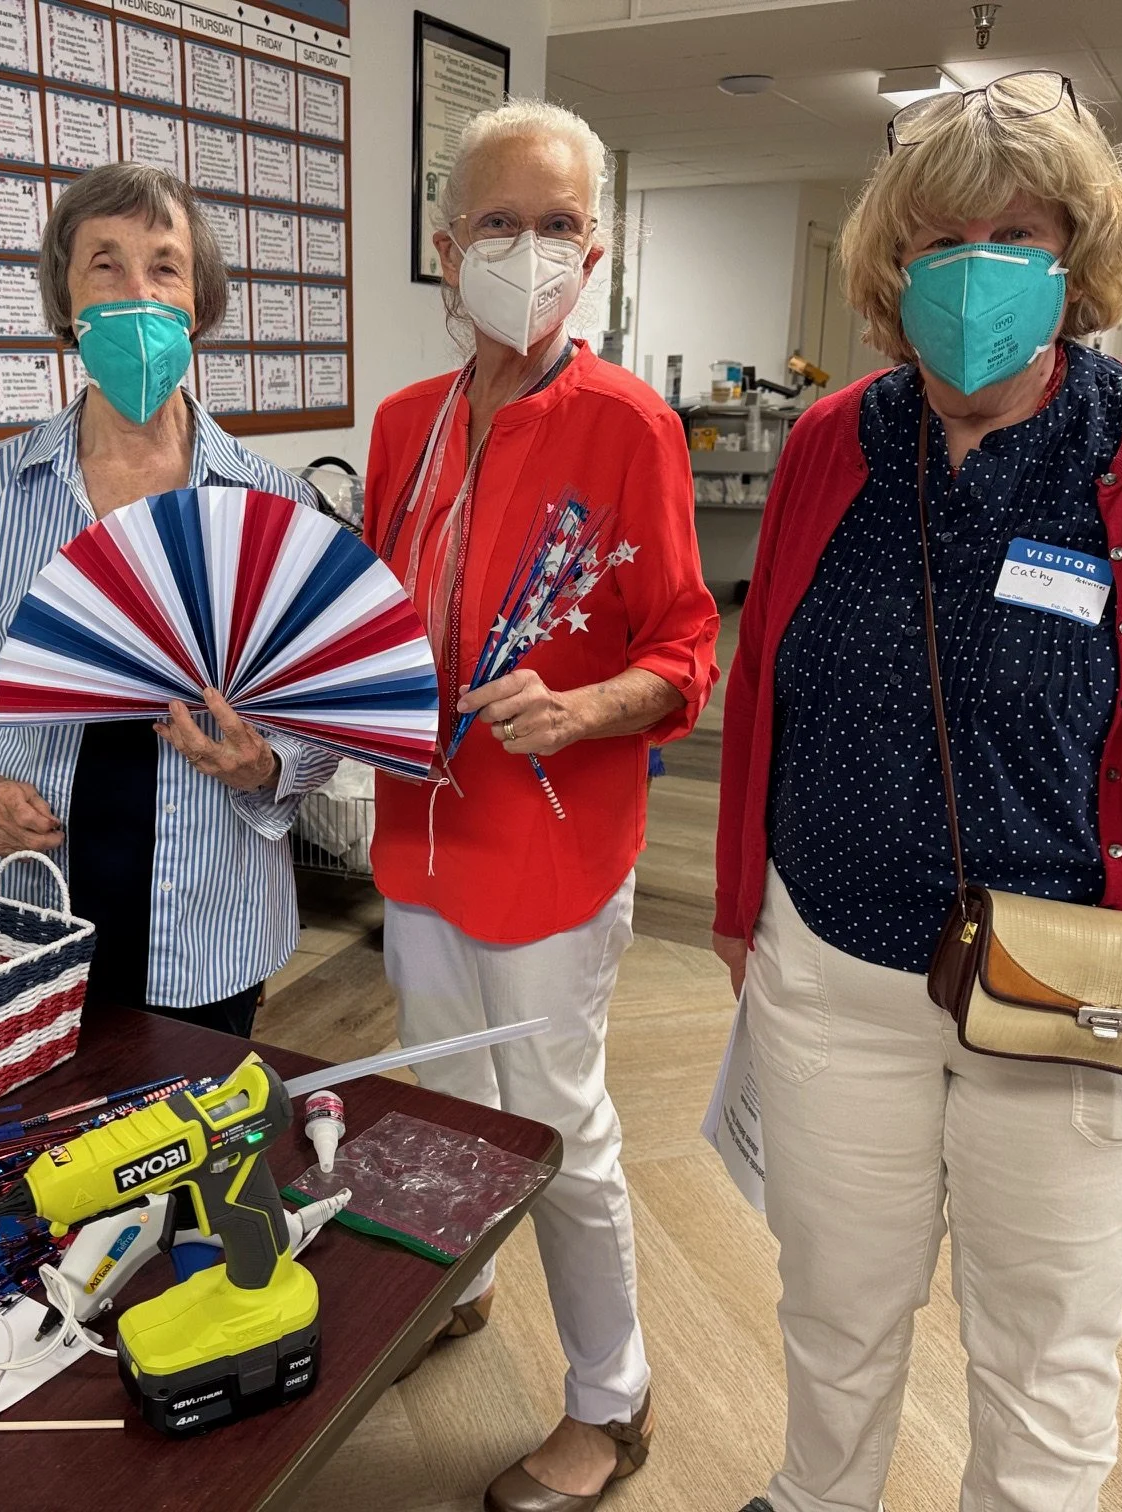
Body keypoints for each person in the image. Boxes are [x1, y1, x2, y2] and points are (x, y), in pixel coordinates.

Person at [712, 72, 1122, 1512]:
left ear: (1078, 263)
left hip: (1081, 991)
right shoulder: (830, 444)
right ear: (890, 265)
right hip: (834, 970)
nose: (975, 269)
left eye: (1020, 236)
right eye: (940, 241)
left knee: (1044, 1354)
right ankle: (816, 1498)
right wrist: (744, 909)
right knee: (834, 1311)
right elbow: (766, 700)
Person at [364, 100, 719, 1512]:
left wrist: (585, 709)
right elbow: (381, 627)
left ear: (599, 248)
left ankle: (613, 1399)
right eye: (498, 223)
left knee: (559, 1125)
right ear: (444, 247)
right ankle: (461, 1283)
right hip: (417, 830)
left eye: (558, 224)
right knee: (444, 1098)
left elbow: (687, 647)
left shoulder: (632, 425)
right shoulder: (405, 427)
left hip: (556, 845)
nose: (528, 249)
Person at [0, 163, 337, 1036]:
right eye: (104, 263)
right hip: (11, 894)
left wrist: (267, 764)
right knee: (12, 1153)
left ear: (198, 303)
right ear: (66, 301)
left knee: (186, 1146)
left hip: (206, 916)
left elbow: (319, 723)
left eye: (164, 267)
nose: (136, 291)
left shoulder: (272, 504)